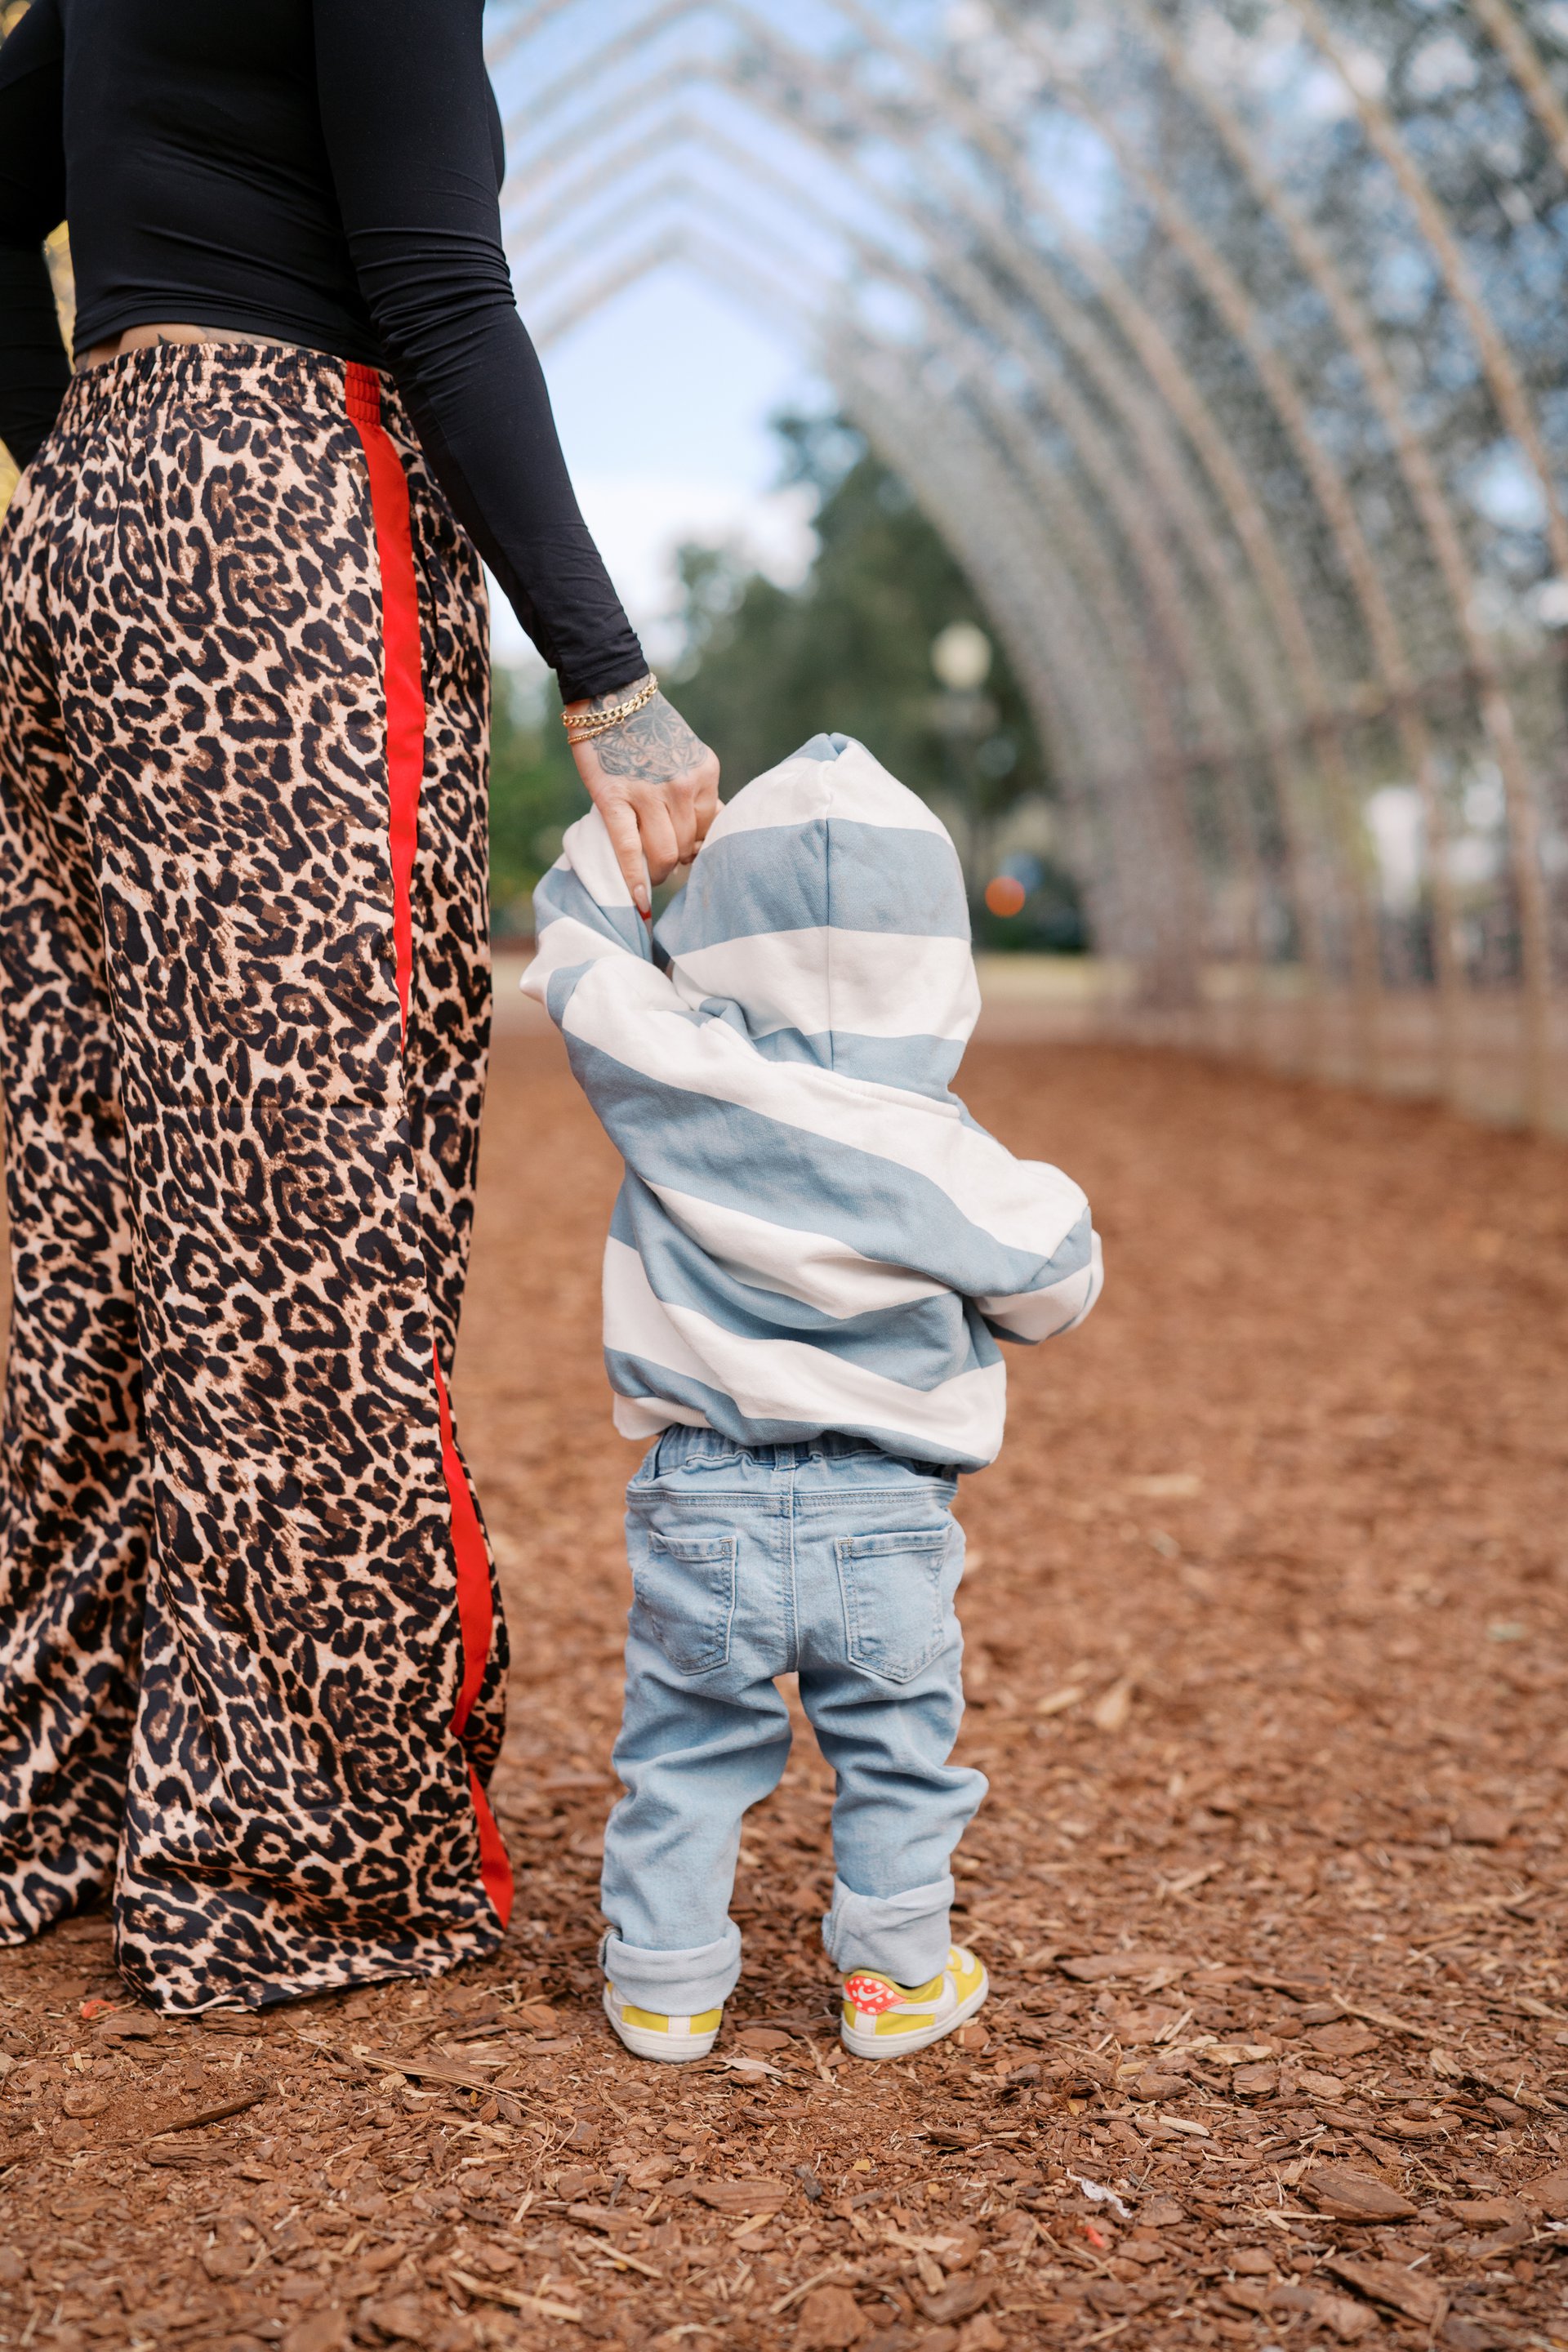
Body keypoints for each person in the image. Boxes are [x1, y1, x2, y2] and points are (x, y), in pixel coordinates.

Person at [0, 0, 717, 2015]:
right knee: (306, 1216)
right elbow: (437, 285)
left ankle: (65, 1794)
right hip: (284, 525)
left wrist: (73, 465)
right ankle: (292, 1852)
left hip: (88, 536)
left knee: (98, 1197)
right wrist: (611, 677)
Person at [522, 732, 1104, 2060]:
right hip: (885, 1507)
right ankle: (894, 1980)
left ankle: (667, 1982)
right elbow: (1060, 1282)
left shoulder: (674, 1078)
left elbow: (576, 950)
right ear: (937, 960)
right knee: (899, 1750)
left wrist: (633, 847)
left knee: (684, 1747)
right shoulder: (943, 1156)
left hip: (702, 1491)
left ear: (718, 938)